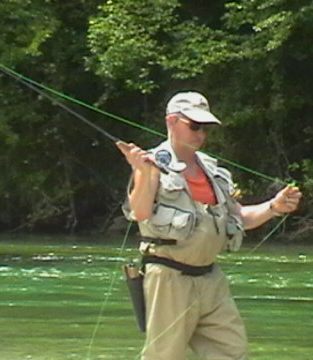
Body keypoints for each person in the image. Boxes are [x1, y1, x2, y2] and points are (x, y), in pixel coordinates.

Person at [116, 91, 302, 360]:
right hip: (169, 278)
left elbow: (238, 217)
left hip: (211, 279)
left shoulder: (214, 171)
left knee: (233, 353)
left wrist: (274, 207)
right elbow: (140, 212)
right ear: (172, 122)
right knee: (164, 356)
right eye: (194, 126)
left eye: (205, 128)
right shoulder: (149, 164)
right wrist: (144, 173)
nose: (200, 134)